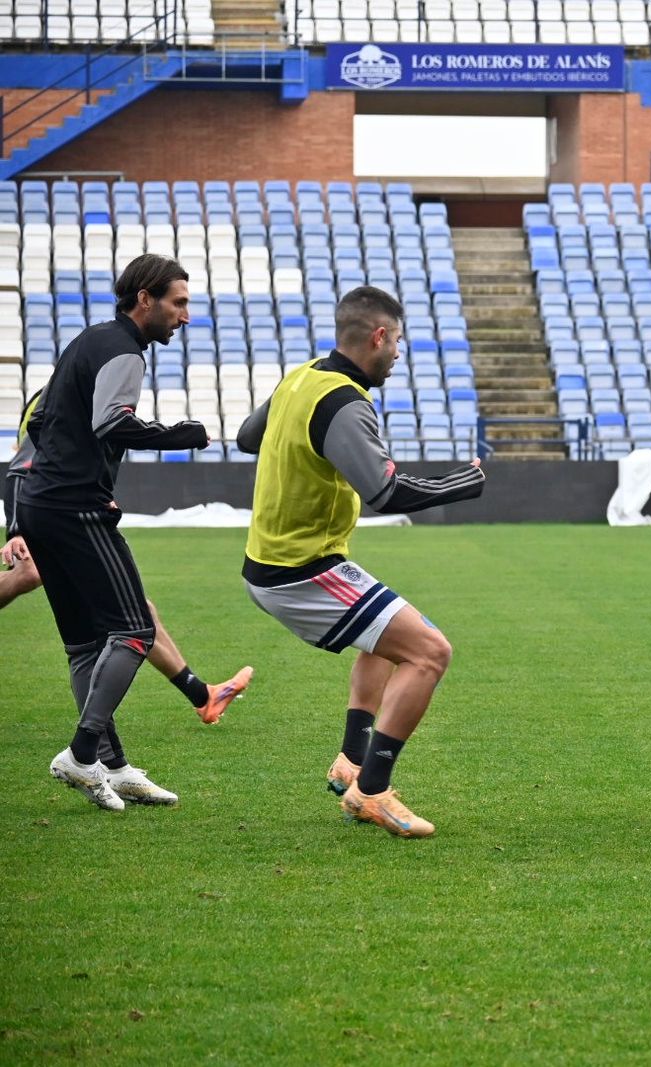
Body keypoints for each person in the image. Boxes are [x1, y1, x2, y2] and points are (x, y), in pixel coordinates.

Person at [236, 285, 486, 839]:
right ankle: (371, 791)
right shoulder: (344, 402)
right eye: (396, 341)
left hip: (279, 559)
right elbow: (385, 492)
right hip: (301, 569)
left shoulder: (301, 377)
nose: (397, 353)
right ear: (378, 336)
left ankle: (351, 761)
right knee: (430, 652)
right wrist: (462, 484)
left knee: (387, 639)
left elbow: (248, 437)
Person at [13, 254, 211, 811]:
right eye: (178, 303)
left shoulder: (88, 340)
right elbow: (112, 422)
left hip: (41, 504)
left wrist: (61, 476)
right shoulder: (124, 350)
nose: (185, 316)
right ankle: (81, 754)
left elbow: (41, 422)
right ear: (144, 299)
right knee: (135, 632)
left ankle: (114, 767)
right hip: (76, 509)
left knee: (84, 644)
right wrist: (181, 435)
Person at [3, 390, 253, 724]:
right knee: (115, 612)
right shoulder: (65, 394)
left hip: (67, 516)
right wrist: (16, 530)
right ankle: (101, 735)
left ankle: (202, 695)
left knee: (136, 612)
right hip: (57, 518)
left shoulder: (92, 392)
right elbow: (22, 467)